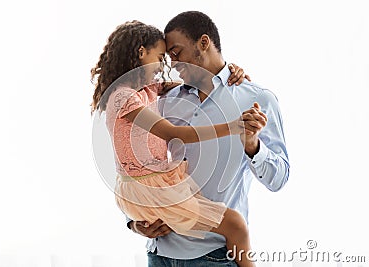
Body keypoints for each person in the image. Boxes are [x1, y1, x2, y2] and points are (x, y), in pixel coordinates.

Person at [90, 20, 263, 267]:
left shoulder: (147, 89)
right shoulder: (123, 98)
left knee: (233, 225)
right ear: (141, 53)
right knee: (235, 225)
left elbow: (200, 82)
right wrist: (233, 127)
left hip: (154, 183)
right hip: (146, 186)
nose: (164, 66)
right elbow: (173, 133)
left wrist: (228, 73)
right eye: (160, 57)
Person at [127, 11, 290, 267]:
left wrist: (253, 147)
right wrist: (134, 221)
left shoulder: (257, 99)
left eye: (177, 52)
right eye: (168, 57)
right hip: (160, 253)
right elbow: (135, 163)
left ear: (204, 43)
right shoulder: (165, 101)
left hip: (213, 256)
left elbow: (278, 179)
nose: (173, 63)